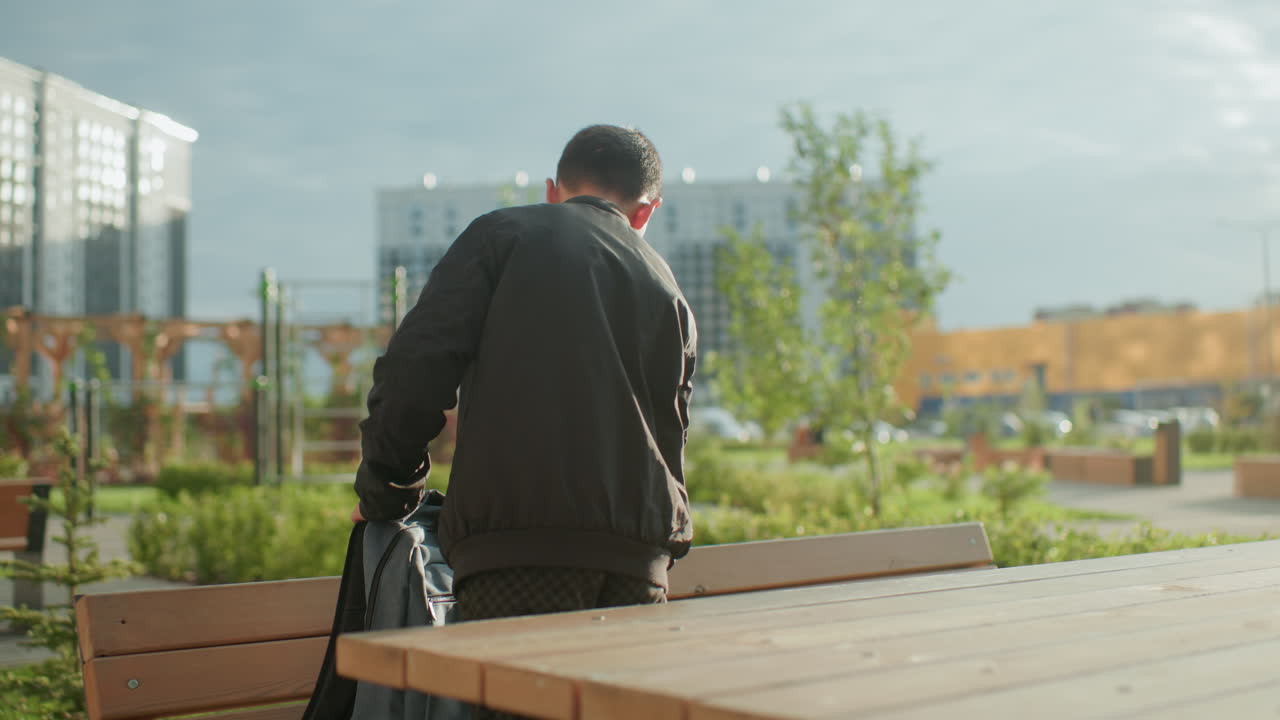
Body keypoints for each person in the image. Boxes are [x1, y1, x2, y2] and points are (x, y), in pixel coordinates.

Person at [353, 125, 697, 629]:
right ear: (646, 212)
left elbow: (415, 370)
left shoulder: (500, 237)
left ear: (552, 192)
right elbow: (673, 434)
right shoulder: (668, 288)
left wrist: (387, 493)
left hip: (514, 558)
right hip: (636, 567)